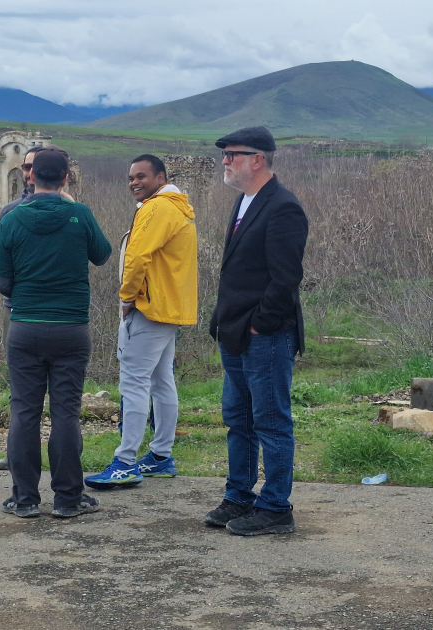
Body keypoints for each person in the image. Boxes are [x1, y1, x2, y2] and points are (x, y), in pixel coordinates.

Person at [0, 149, 112, 518]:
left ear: (31, 176)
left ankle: (25, 499)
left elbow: (1, 280)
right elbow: (102, 254)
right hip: (71, 328)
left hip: (25, 328)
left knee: (24, 412)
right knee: (66, 414)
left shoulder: (12, 218)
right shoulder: (80, 214)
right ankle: (68, 499)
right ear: (65, 177)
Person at [204, 127, 308, 536]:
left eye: (232, 155)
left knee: (271, 422)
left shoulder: (283, 207)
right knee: (238, 419)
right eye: (225, 155)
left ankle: (276, 507)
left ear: (258, 159)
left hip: (265, 336)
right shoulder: (245, 200)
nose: (225, 161)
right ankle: (239, 497)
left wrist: (260, 324)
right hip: (234, 332)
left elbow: (286, 279)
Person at [85, 154, 197, 489]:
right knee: (162, 382)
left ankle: (125, 462)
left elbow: (137, 257)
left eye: (141, 176)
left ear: (161, 177)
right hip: (169, 309)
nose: (134, 182)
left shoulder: (156, 207)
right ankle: (161, 456)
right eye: (131, 177)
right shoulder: (178, 207)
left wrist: (126, 298)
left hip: (149, 308)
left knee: (134, 383)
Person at [0, 144, 71, 472]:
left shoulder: (72, 211)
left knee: (63, 398)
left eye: (34, 167)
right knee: (21, 390)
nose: (29, 173)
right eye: (25, 167)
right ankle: (17, 455)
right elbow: (2, 270)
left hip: (60, 313)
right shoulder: (10, 212)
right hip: (18, 311)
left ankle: (59, 465)